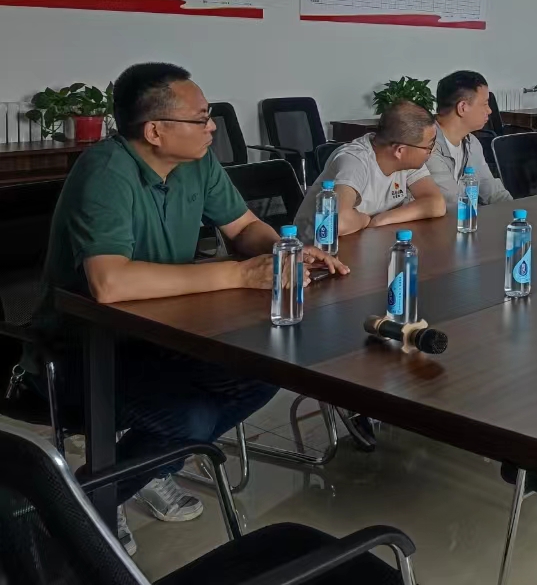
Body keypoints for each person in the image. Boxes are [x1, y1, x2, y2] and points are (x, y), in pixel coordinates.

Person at [27, 63, 345, 555]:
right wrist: (238, 275)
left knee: (265, 372)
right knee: (190, 418)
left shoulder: (196, 162)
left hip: (164, 334)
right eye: (200, 119)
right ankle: (85, 504)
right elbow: (109, 283)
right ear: (155, 131)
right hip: (84, 350)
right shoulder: (106, 172)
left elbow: (243, 228)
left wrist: (287, 252)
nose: (212, 126)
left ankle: (143, 466)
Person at [296, 101, 446, 242]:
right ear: (400, 151)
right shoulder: (354, 161)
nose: (432, 151)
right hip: (315, 248)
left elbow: (436, 203)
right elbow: (338, 222)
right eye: (429, 147)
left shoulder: (407, 161)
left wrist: (382, 219)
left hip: (363, 241)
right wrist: (366, 220)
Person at [425, 70, 512, 206]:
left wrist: (513, 210)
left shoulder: (471, 143)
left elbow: (492, 191)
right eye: (485, 104)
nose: (489, 110)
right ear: (463, 107)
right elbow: (452, 203)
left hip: (465, 217)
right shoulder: (427, 146)